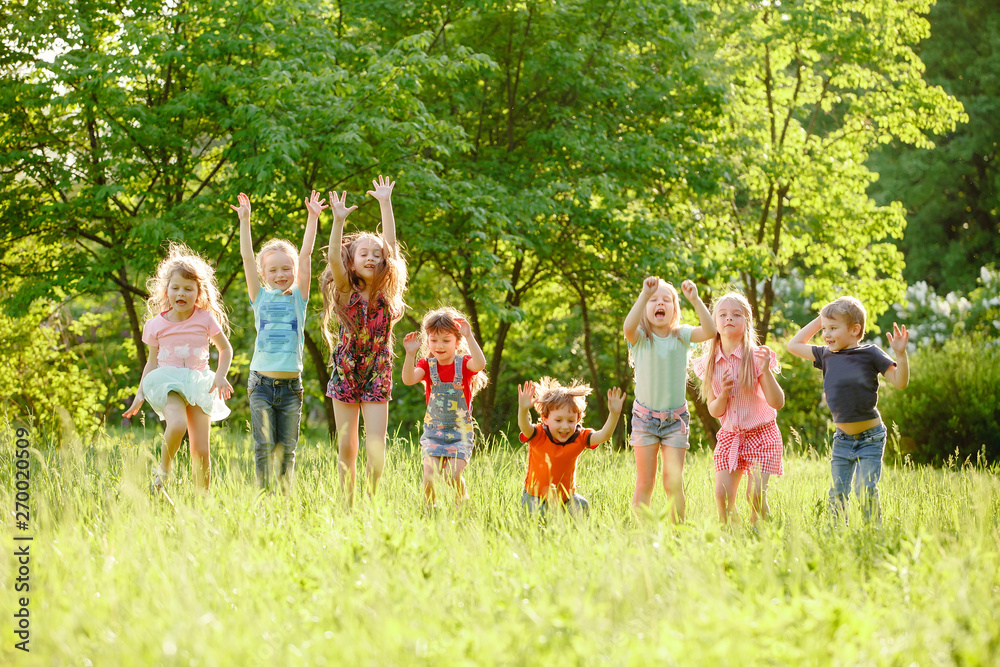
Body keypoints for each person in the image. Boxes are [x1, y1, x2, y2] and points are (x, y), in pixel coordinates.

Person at [319, 176, 407, 507]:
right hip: (346, 370)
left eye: (376, 254)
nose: (371, 258)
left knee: (376, 445)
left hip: (377, 370)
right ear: (352, 261)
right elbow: (332, 261)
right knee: (347, 445)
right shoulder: (345, 291)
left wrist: (385, 203)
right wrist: (338, 221)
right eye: (363, 254)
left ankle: (371, 501)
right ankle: (346, 502)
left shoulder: (387, 292)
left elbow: (392, 246)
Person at [786, 296, 910, 522]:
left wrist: (900, 355)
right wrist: (819, 320)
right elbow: (793, 345)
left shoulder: (871, 353)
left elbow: (900, 382)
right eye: (825, 329)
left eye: (833, 328)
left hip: (871, 438)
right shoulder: (825, 355)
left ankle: (873, 535)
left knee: (865, 491)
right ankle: (836, 537)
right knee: (837, 494)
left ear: (855, 330)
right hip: (842, 439)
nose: (826, 335)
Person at [124, 243, 233, 495]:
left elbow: (225, 350)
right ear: (166, 291)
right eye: (175, 288)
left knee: (201, 450)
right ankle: (163, 472)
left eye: (188, 288)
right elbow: (151, 362)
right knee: (176, 425)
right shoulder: (155, 325)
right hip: (167, 382)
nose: (181, 293)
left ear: (199, 293)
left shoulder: (205, 319)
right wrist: (140, 393)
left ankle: (201, 500)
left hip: (198, 383)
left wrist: (220, 376)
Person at [231, 191, 320, 492]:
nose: (281, 274)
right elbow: (245, 256)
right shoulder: (259, 296)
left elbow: (307, 255)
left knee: (287, 450)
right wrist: (245, 220)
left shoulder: (299, 298)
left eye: (286, 269)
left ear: (294, 272)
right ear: (263, 273)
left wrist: (313, 217)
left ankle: (284, 500)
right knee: (264, 447)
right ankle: (264, 498)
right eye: (273, 269)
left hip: (292, 388)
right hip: (261, 386)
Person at [623, 276, 715, 521]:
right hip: (644, 421)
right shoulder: (641, 337)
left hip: (675, 421)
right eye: (653, 300)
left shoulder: (681, 335)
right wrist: (643, 294)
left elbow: (710, 331)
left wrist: (695, 300)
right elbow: (627, 328)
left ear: (675, 310)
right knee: (645, 482)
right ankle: (641, 534)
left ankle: (677, 532)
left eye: (666, 300)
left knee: (672, 482)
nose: (659, 303)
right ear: (645, 308)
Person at [692, 293, 784, 525]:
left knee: (754, 496)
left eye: (736, 314)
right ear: (714, 324)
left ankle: (763, 529)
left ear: (747, 323)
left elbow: (777, 402)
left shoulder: (756, 357)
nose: (728, 318)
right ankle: (733, 536)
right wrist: (723, 394)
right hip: (730, 437)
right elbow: (715, 410)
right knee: (722, 499)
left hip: (762, 435)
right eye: (722, 315)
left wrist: (766, 370)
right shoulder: (709, 362)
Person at [400, 307, 488, 508]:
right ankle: (430, 511)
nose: (439, 346)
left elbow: (480, 364)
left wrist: (469, 335)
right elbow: (408, 379)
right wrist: (410, 354)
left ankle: (462, 505)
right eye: (433, 340)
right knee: (429, 477)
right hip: (434, 433)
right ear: (428, 341)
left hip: (460, 434)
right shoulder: (427, 365)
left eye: (446, 340)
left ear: (457, 342)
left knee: (452, 475)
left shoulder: (464, 364)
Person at [517, 378, 625, 516]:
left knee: (582, 505)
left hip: (565, 498)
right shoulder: (539, 435)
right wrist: (523, 409)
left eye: (570, 420)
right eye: (558, 420)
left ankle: (577, 534)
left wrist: (614, 414)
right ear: (545, 418)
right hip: (535, 496)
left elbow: (604, 435)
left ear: (578, 419)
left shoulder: (580, 437)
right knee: (540, 514)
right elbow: (525, 427)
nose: (565, 426)